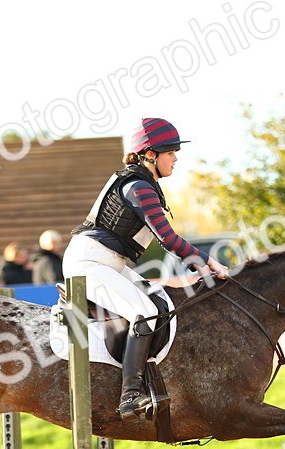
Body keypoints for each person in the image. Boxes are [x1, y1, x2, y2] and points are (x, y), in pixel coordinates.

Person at [65, 116, 228, 421]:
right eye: (170, 153)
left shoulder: (144, 184)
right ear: (150, 154)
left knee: (159, 301)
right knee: (145, 312)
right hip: (89, 263)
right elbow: (168, 239)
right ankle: (130, 395)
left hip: (110, 262)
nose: (175, 159)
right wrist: (208, 262)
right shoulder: (137, 187)